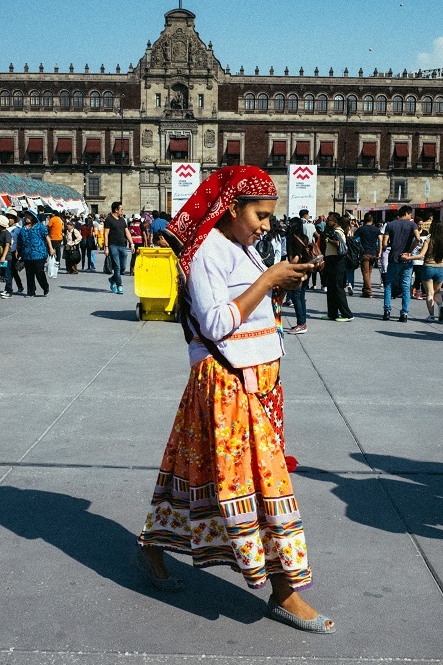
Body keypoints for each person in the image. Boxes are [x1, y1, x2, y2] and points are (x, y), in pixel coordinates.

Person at [135, 165, 333, 634]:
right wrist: (267, 281)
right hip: (228, 383)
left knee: (196, 470)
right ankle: (284, 591)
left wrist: (284, 280)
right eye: (260, 215)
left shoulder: (242, 248)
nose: (266, 225)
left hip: (254, 381)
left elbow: (250, 311)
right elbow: (218, 322)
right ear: (232, 208)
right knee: (266, 486)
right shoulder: (208, 252)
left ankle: (153, 545)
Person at [381, 205, 420, 321]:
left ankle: (387, 311)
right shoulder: (412, 225)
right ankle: (404, 313)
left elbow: (384, 243)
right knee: (405, 286)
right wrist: (409, 251)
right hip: (406, 259)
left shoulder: (391, 224)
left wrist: (389, 247)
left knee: (388, 284)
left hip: (393, 258)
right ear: (407, 213)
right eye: (410, 214)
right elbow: (418, 239)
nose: (411, 216)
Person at [322, 212, 353, 321]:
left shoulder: (337, 231)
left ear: (335, 221)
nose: (327, 221)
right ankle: (332, 313)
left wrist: (328, 240)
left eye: (329, 219)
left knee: (338, 287)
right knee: (331, 288)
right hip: (331, 260)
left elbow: (339, 245)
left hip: (337, 261)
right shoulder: (331, 230)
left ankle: (347, 314)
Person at [17, 209, 54, 297]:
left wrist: (51, 248)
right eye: (25, 216)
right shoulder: (23, 229)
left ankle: (45, 286)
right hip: (27, 254)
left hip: (39, 253)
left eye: (28, 216)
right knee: (29, 273)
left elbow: (47, 237)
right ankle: (31, 291)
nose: (26, 218)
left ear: (33, 217)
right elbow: (20, 241)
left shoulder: (40, 226)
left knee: (39, 271)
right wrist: (18, 251)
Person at [419, 221, 443, 322]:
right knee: (437, 292)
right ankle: (440, 305)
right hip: (440, 267)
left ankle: (431, 315)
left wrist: (409, 257)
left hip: (428, 267)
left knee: (429, 294)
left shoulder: (429, 240)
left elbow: (421, 255)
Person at [103, 201, 134, 294]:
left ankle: (112, 279)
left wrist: (131, 243)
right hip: (113, 246)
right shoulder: (109, 220)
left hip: (122, 245)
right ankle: (119, 285)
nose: (123, 211)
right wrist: (106, 247)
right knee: (116, 266)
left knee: (123, 267)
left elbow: (127, 232)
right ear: (116, 210)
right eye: (121, 209)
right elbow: (106, 234)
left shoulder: (122, 220)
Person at [355, 213, 381, 297]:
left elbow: (354, 239)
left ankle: (368, 291)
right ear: (372, 220)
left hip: (364, 252)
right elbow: (380, 240)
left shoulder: (361, 229)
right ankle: (365, 289)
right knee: (369, 272)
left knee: (365, 272)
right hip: (373, 252)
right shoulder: (376, 230)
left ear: (364, 220)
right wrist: (379, 252)